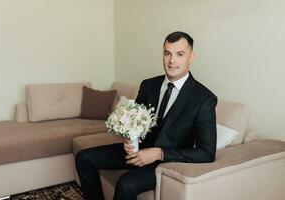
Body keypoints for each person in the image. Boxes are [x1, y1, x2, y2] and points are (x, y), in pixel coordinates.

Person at [75, 31, 217, 200]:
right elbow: (135, 122)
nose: (172, 61)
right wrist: (129, 139)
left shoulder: (204, 99)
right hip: (138, 150)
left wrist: (159, 153)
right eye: (167, 53)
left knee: (125, 184)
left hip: (166, 161)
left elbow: (206, 153)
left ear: (191, 57)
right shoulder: (149, 85)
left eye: (179, 54)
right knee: (84, 158)